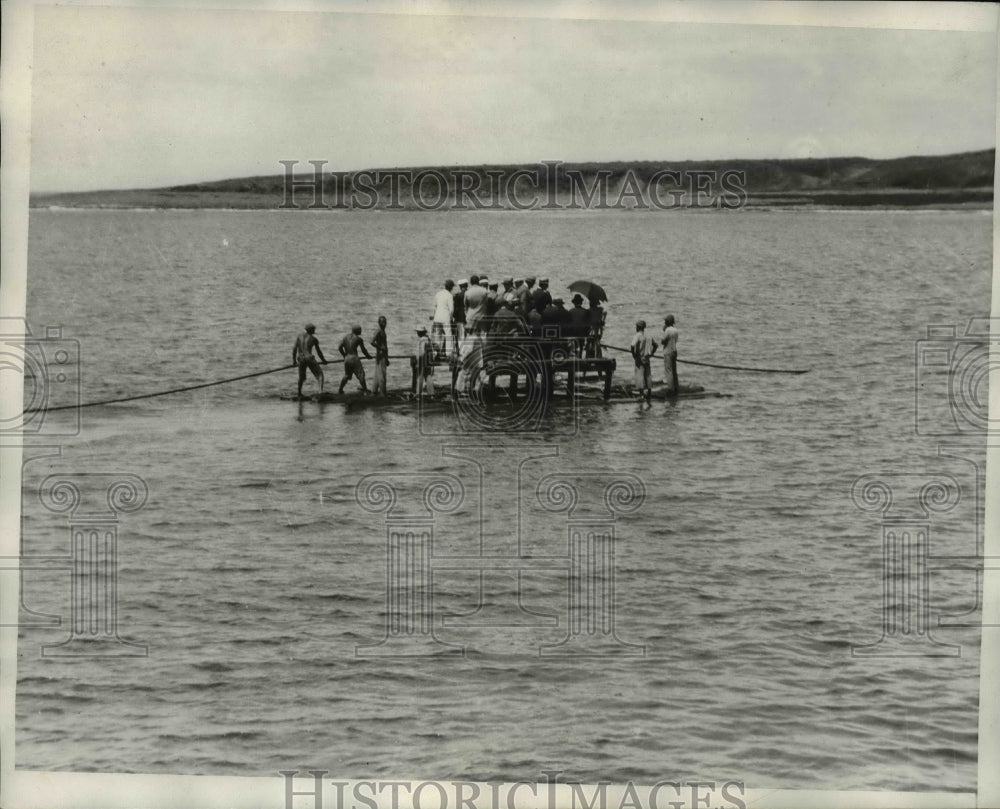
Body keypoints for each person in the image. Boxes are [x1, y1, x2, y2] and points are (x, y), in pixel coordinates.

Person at [292, 323, 328, 397]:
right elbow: (319, 352)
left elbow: (294, 349)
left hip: (301, 358)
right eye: (314, 329)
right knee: (320, 374)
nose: (314, 330)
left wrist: (294, 361)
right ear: (311, 330)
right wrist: (323, 360)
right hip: (309, 358)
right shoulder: (314, 339)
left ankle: (299, 393)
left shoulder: (299, 337)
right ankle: (320, 391)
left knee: (301, 377)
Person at [338, 325, 373, 394]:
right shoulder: (359, 339)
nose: (361, 331)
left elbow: (339, 347)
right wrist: (368, 356)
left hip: (347, 358)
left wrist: (344, 355)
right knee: (361, 374)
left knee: (347, 375)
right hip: (354, 358)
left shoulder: (345, 337)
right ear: (356, 331)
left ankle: (340, 389)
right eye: (360, 330)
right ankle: (365, 390)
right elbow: (363, 350)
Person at [630, 319, 658, 401]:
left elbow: (632, 346)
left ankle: (641, 395)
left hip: (640, 357)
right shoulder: (648, 336)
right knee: (648, 375)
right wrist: (651, 354)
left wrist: (634, 355)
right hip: (647, 358)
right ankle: (649, 393)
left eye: (636, 326)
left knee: (640, 376)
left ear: (638, 327)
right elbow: (655, 345)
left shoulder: (638, 335)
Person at [432, 280, 455, 358]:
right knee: (448, 335)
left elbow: (435, 306)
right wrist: (451, 318)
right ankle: (448, 353)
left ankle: (435, 352)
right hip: (445, 317)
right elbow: (451, 309)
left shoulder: (438, 294)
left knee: (437, 334)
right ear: (451, 287)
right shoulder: (449, 295)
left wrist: (435, 315)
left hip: (437, 317)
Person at [414, 326, 435, 398]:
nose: (417, 333)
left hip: (422, 360)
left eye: (418, 332)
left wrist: (418, 361)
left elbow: (422, 352)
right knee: (428, 376)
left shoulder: (422, 340)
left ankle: (418, 394)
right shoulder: (428, 339)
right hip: (428, 360)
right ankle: (431, 393)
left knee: (420, 377)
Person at [372, 316, 389, 396]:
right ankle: (382, 392)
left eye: (385, 322)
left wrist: (387, 358)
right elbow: (372, 341)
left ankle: (374, 390)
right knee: (382, 374)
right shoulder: (378, 331)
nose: (384, 324)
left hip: (383, 354)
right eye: (382, 322)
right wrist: (380, 348)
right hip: (380, 354)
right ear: (379, 323)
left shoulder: (383, 331)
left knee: (378, 373)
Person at [661, 314, 679, 393]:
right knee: (674, 370)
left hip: (668, 351)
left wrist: (664, 331)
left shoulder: (667, 330)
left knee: (668, 370)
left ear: (667, 322)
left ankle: (671, 388)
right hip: (674, 351)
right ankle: (676, 387)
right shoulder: (675, 330)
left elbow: (663, 341)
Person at [452, 279, 468, 349]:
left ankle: (460, 351)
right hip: (467, 318)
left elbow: (454, 308)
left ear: (460, 287)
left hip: (459, 318)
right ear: (466, 286)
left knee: (460, 336)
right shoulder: (469, 294)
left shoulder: (457, 296)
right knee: (466, 336)